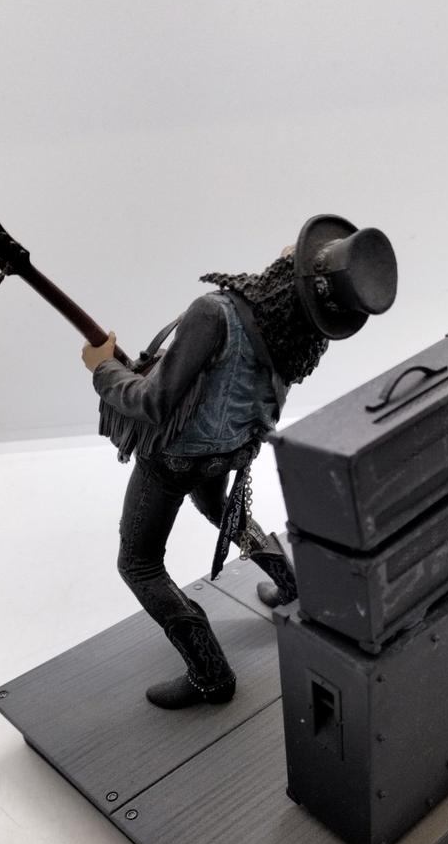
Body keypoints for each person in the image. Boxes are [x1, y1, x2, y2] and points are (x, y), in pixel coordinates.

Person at [81, 214, 397, 710]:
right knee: (222, 511)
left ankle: (210, 674)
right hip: (232, 451)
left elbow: (153, 403)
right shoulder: (301, 334)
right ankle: (292, 587)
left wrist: (103, 369)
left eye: (296, 254)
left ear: (293, 270)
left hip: (175, 459)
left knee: (138, 563)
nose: (286, 249)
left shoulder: (215, 312)